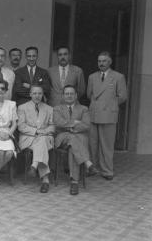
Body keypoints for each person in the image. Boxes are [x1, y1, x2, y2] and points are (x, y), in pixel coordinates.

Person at [87, 51, 127, 180]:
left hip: (108, 115)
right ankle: (93, 168)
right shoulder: (92, 77)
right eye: (99, 61)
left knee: (107, 145)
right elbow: (89, 95)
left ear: (110, 62)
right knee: (92, 144)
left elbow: (122, 97)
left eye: (104, 61)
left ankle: (107, 171)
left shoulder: (118, 77)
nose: (101, 64)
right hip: (94, 114)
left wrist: (109, 104)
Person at [54, 85, 98, 195]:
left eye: (71, 93)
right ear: (63, 96)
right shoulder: (57, 108)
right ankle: (88, 164)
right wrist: (75, 123)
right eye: (67, 94)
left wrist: (70, 126)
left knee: (73, 147)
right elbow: (58, 122)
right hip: (62, 138)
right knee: (74, 140)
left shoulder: (84, 109)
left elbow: (86, 125)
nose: (69, 96)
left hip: (77, 137)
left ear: (76, 95)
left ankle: (74, 182)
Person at [18, 85, 55, 193]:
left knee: (42, 140)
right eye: (34, 93)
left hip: (44, 137)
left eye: (39, 93)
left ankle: (34, 166)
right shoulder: (22, 108)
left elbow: (52, 126)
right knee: (41, 141)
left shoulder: (49, 108)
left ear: (42, 94)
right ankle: (45, 179)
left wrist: (44, 132)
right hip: (28, 139)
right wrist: (37, 131)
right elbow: (21, 126)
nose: (37, 96)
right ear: (30, 94)